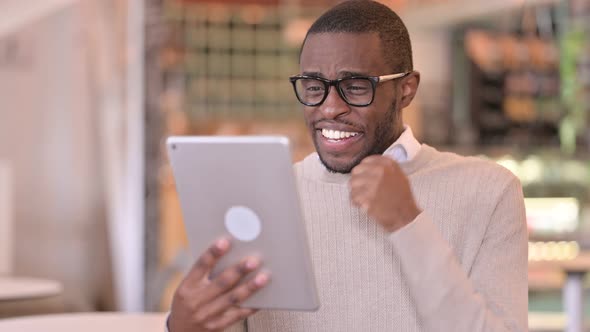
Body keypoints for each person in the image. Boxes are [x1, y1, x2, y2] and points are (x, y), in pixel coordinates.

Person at [167, 1, 528, 331]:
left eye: (355, 87)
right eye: (313, 87)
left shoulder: (489, 191)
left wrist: (407, 222)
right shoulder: (262, 198)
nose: (329, 108)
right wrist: (181, 328)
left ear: (406, 89)